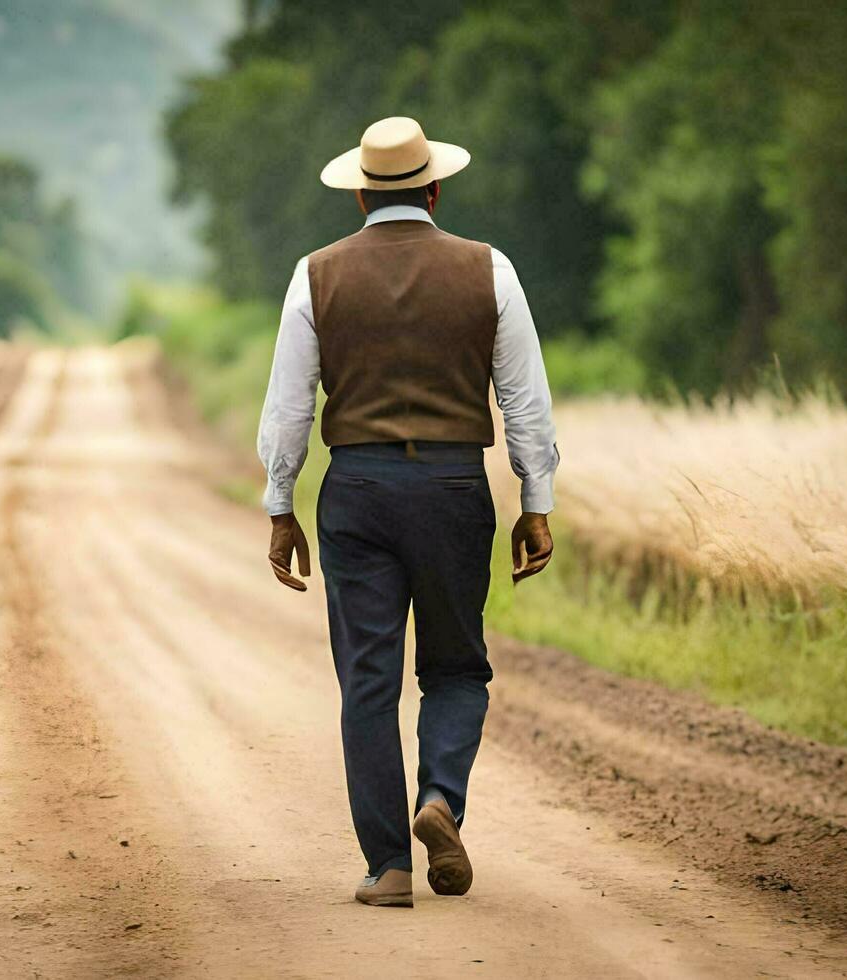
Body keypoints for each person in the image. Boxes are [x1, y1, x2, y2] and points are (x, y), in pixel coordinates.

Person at [257, 116, 559, 908]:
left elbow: (289, 407)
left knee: (367, 679)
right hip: (457, 487)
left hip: (356, 489)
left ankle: (388, 866)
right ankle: (441, 800)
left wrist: (280, 503)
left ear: (359, 195)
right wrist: (536, 501)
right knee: (456, 666)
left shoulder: (314, 274)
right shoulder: (489, 269)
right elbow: (525, 402)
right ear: (435, 187)